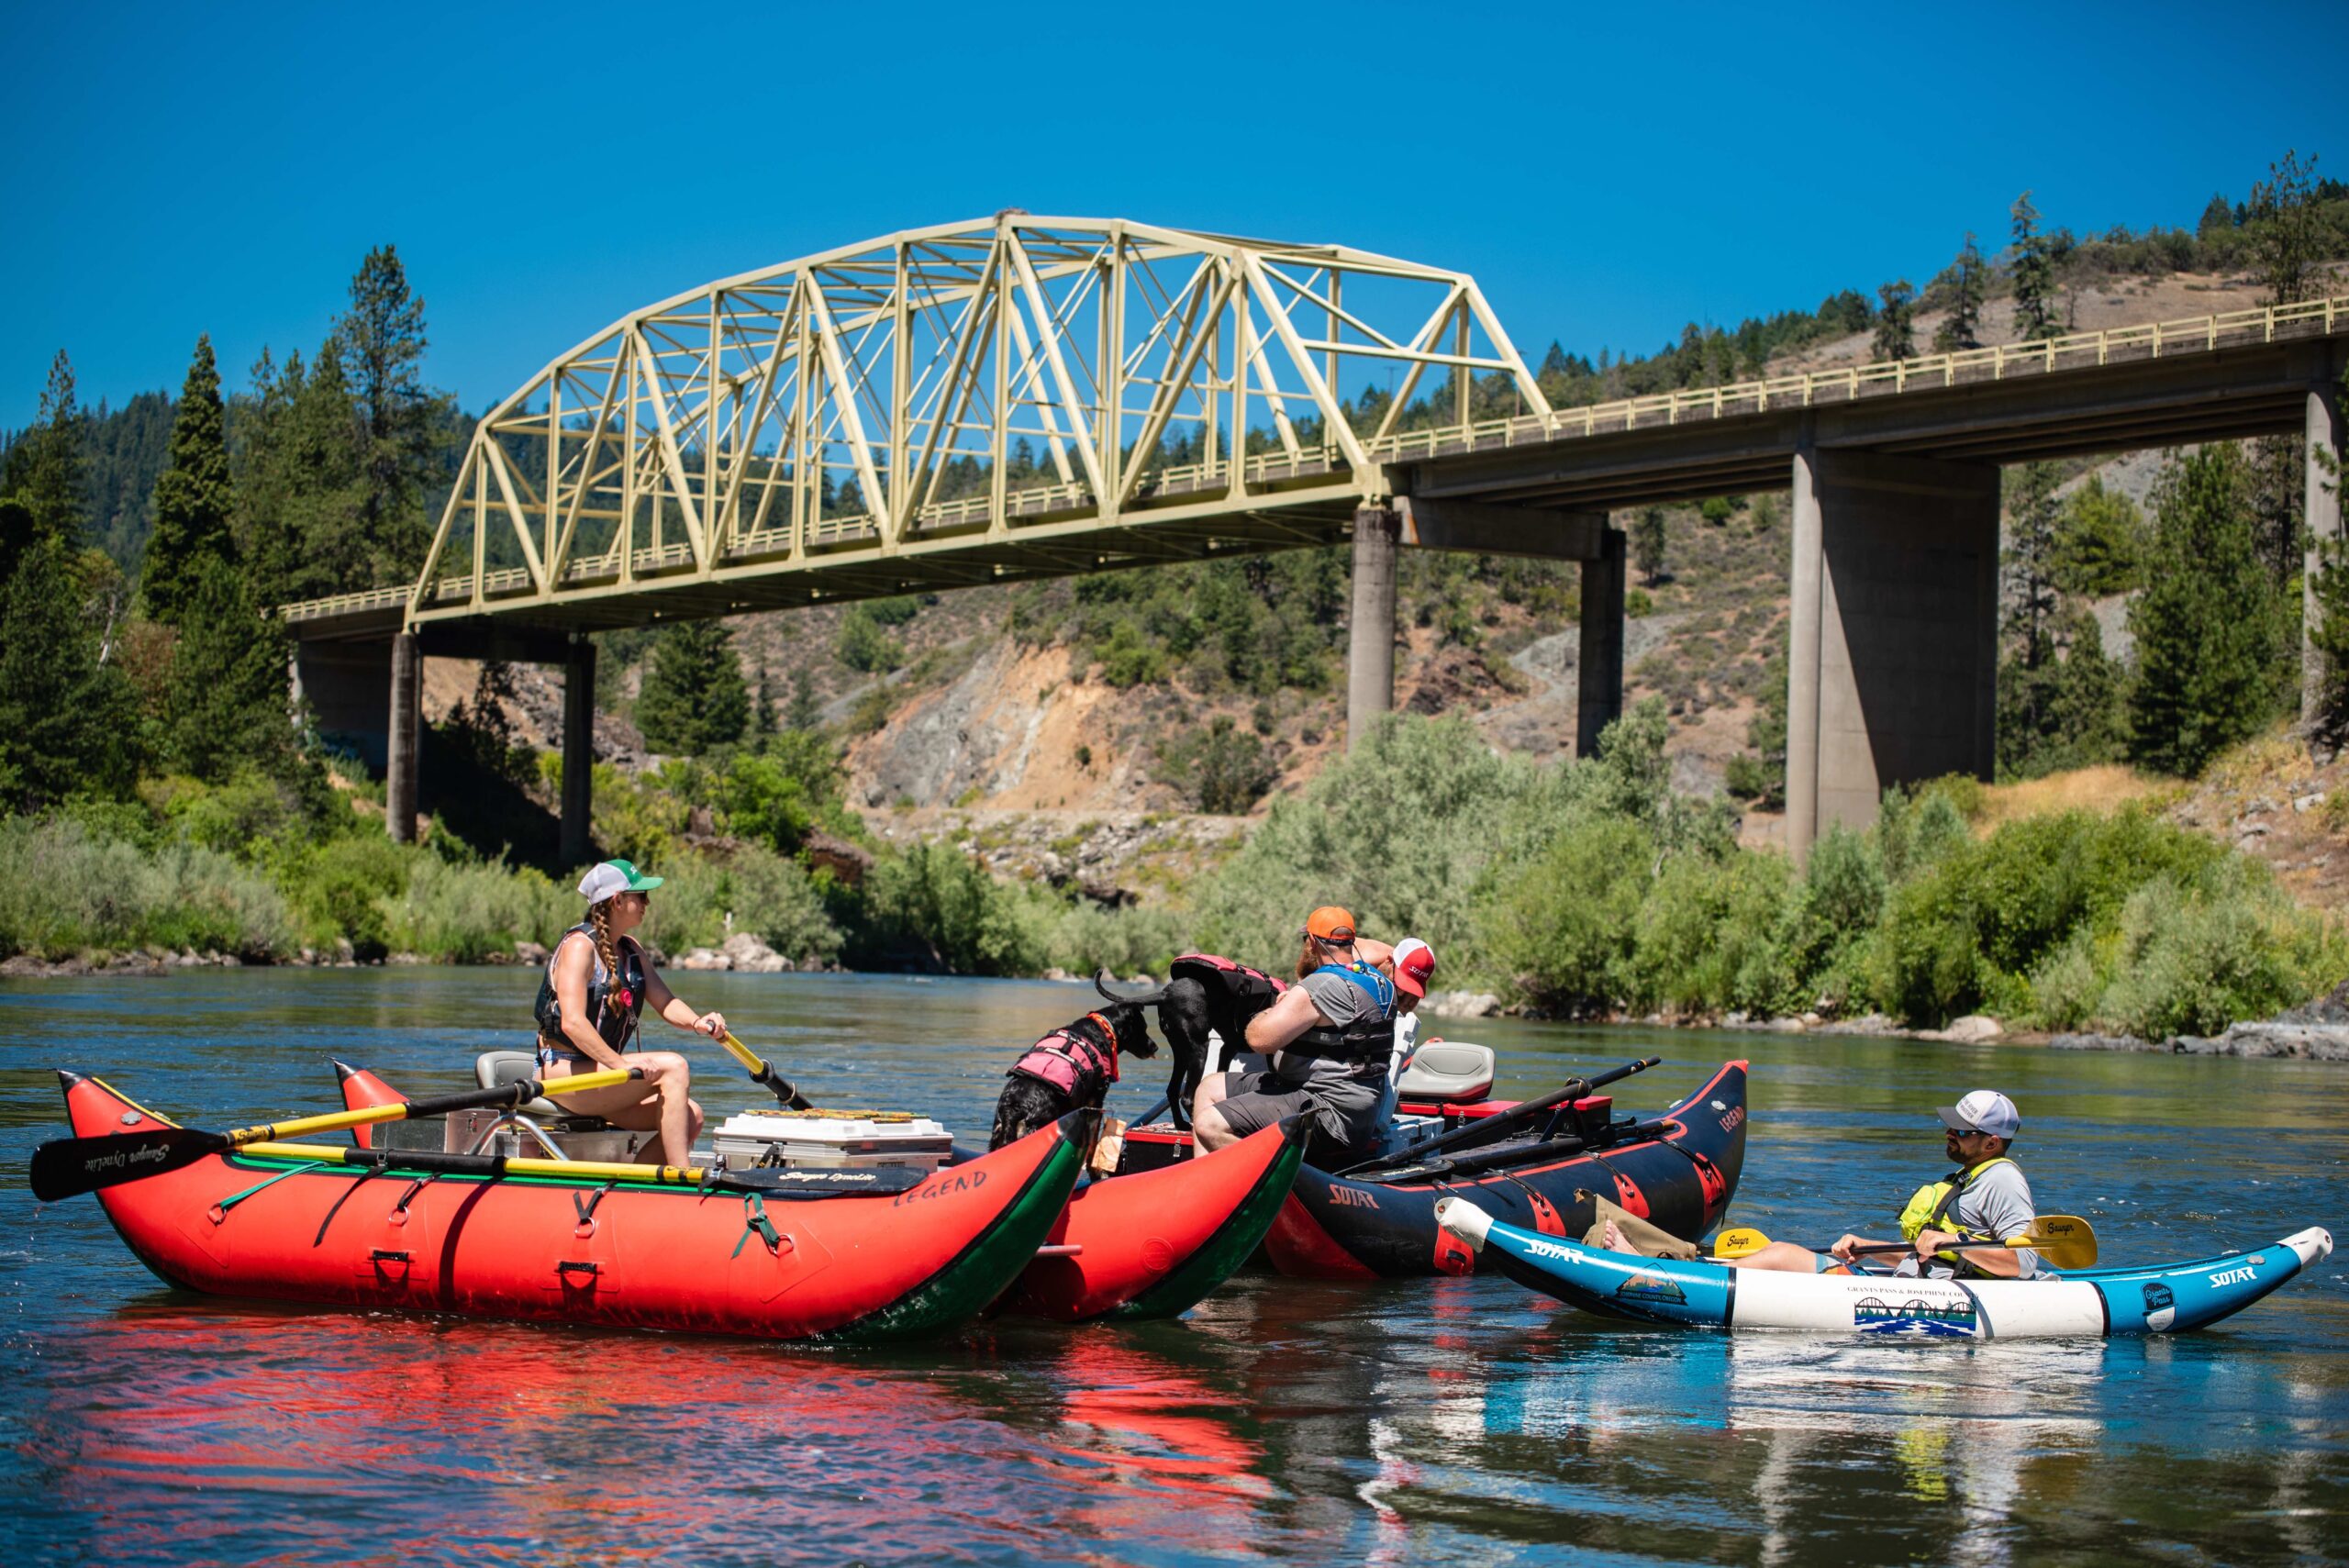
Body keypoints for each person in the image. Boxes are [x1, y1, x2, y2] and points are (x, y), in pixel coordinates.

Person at [1715, 1090, 2042, 1278]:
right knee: (1774, 1249)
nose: (1949, 1134)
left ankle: (1703, 1282)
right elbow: (1933, 1259)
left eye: (1961, 1131)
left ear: (1992, 1143)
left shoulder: (2003, 1179)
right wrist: (1868, 1248)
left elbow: (2023, 1263)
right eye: (1950, 1126)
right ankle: (1713, 1270)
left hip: (1934, 1298)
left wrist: (1949, 1239)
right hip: (1913, 1287)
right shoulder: (1968, 1176)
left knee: (1783, 1257)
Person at [533, 859, 725, 1168]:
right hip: (563, 1074)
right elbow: (572, 1022)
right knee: (675, 1066)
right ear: (618, 901)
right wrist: (618, 1065)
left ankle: (629, 1188)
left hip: (601, 1076)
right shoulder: (579, 948)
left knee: (693, 1116)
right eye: (640, 896)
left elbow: (666, 1002)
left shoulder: (631, 950)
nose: (647, 902)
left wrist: (698, 1022)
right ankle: (684, 1178)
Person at [1190, 906, 1397, 1158]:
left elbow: (1259, 1039)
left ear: (1311, 942)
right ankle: (1209, 1185)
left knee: (1209, 1124)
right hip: (1356, 1108)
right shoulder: (1379, 981)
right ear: (1349, 942)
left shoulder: (1320, 987)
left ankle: (1270, 1184)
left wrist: (1276, 1008)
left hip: (1330, 1110)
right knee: (1208, 1089)